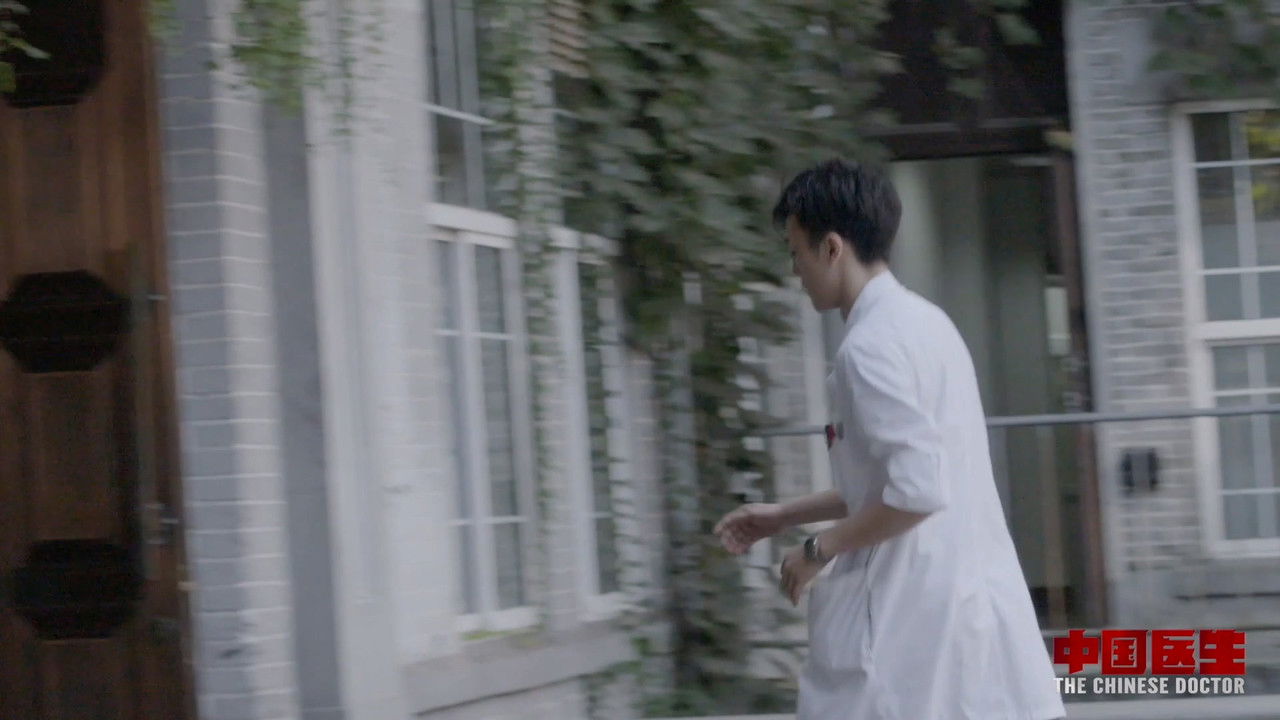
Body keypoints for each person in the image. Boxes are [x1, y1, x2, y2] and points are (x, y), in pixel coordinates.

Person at [714, 159, 1065, 720]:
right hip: (954, 605)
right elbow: (891, 481)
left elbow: (917, 491)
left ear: (832, 248)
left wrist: (818, 549)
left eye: (797, 252)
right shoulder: (928, 324)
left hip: (907, 620)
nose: (795, 270)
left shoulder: (870, 348)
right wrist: (782, 516)